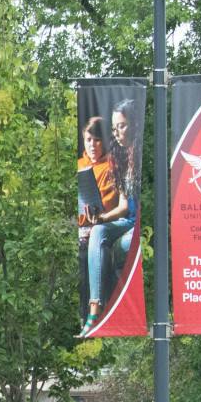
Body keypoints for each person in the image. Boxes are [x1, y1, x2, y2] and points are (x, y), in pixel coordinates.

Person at [78, 115, 133, 331]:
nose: (92, 145)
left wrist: (100, 217)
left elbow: (121, 207)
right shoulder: (80, 165)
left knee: (97, 235)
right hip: (84, 224)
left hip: (111, 222)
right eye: (89, 139)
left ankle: (95, 311)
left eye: (97, 140)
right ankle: (91, 312)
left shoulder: (114, 165)